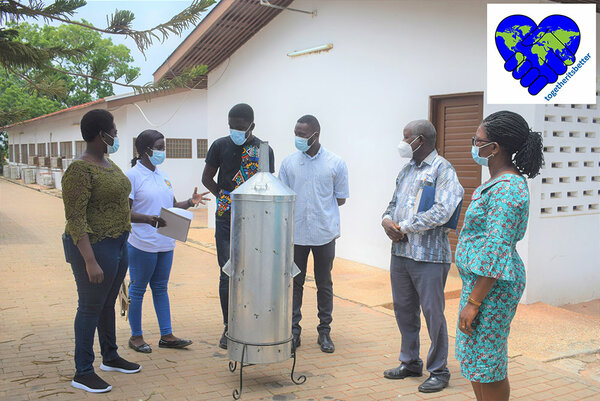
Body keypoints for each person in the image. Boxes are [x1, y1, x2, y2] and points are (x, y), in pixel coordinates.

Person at [455, 111, 543, 401]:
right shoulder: (497, 183)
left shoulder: (508, 189)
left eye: (477, 141)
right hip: (481, 284)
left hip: (492, 286)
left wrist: (474, 302)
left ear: (494, 148)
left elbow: (497, 249)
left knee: (488, 362)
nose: (473, 145)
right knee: (476, 359)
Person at [381, 120, 464, 393]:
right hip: (402, 253)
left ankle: (439, 370)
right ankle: (410, 362)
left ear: (421, 140)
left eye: (406, 138)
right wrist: (386, 221)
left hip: (429, 256)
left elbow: (443, 210)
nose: (403, 143)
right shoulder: (406, 171)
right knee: (404, 310)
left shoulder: (443, 170)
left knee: (432, 314)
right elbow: (393, 204)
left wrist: (404, 226)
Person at [61, 109, 141, 393]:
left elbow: (121, 206)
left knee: (108, 303)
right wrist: (90, 261)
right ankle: (83, 371)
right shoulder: (79, 170)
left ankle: (110, 355)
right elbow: (75, 217)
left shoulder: (109, 163)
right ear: (100, 134)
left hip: (119, 244)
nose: (116, 134)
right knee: (89, 307)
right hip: (93, 247)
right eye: (114, 130)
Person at [126, 130, 210, 353]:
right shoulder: (132, 176)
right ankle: (136, 336)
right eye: (160, 147)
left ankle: (166, 335)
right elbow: (124, 212)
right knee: (137, 290)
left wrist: (190, 203)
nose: (163, 151)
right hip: (142, 244)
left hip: (165, 243)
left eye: (164, 147)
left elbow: (171, 207)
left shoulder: (163, 176)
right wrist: (148, 220)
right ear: (146, 150)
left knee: (161, 288)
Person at [201, 103, 274, 349]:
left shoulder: (262, 150)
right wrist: (222, 196)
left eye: (240, 128)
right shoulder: (220, 145)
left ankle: (252, 322)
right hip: (225, 217)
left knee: (253, 272)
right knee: (227, 272)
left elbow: (268, 184)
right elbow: (206, 177)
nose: (235, 131)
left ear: (252, 126)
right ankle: (229, 325)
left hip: (254, 220)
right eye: (231, 127)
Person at [279, 114, 349, 354]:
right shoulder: (289, 163)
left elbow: (340, 198)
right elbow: (284, 196)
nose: (297, 138)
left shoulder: (335, 163)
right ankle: (293, 332)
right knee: (294, 283)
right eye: (296, 133)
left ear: (315, 135)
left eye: (302, 134)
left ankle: (324, 332)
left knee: (324, 284)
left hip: (324, 234)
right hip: (296, 235)